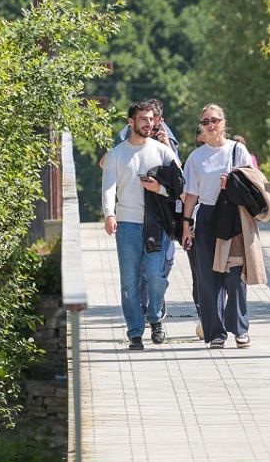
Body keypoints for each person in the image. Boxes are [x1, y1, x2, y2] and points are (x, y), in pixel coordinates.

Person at [102, 100, 182, 350]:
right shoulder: (117, 154)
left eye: (151, 119)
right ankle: (135, 332)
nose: (148, 124)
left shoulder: (163, 152)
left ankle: (155, 317)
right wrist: (109, 214)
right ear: (131, 122)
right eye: (143, 119)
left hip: (156, 224)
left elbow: (181, 186)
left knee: (156, 277)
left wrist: (158, 188)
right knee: (129, 281)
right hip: (127, 224)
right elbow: (108, 187)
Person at [181, 104, 255, 349]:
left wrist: (232, 184)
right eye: (205, 122)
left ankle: (240, 329)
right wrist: (186, 226)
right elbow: (190, 195)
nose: (211, 125)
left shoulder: (238, 151)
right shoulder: (196, 158)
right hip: (207, 216)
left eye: (215, 120)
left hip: (233, 216)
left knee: (235, 277)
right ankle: (215, 333)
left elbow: (253, 184)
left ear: (224, 122)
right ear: (201, 127)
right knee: (208, 278)